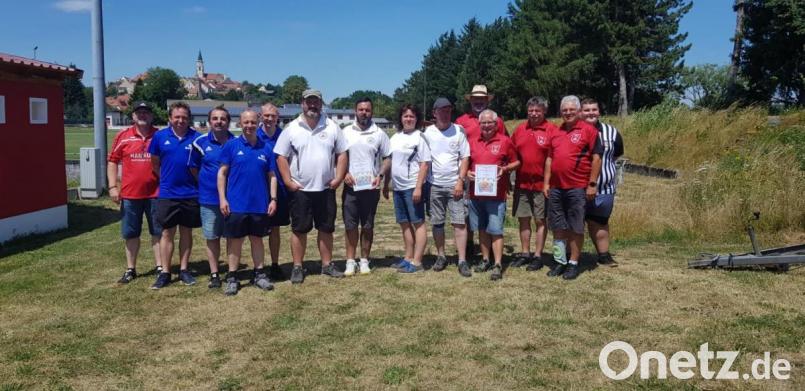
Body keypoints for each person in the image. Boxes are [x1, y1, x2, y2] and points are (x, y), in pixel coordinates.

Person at [273, 89, 348, 284]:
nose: (312, 105)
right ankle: (297, 266)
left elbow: (342, 154)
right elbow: (281, 156)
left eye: (316, 102)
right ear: (302, 104)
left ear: (321, 104)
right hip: (301, 190)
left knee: (326, 229)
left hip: (325, 189)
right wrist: (288, 181)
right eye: (309, 102)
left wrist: (338, 177)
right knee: (299, 230)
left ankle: (327, 265)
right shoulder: (292, 128)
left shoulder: (332, 126)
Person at [217, 110, 277, 296]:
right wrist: (222, 198)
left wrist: (273, 198)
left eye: (252, 122)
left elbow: (272, 175)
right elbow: (222, 173)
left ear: (257, 122)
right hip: (236, 205)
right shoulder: (231, 146)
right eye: (246, 122)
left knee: (257, 240)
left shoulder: (266, 148)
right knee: (235, 242)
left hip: (259, 204)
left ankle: (259, 274)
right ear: (240, 123)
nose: (249, 125)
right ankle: (233, 277)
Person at [543, 95, 603, 280]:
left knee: (576, 227)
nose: (568, 113)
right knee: (558, 227)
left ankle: (573, 263)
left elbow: (597, 158)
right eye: (564, 110)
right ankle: (560, 260)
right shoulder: (556, 131)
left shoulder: (589, 131)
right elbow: (549, 159)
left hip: (577, 187)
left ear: (578, 111)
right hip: (556, 188)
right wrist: (546, 182)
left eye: (571, 110)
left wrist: (592, 184)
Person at [107, 101, 162, 283]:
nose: (143, 115)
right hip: (130, 194)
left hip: (156, 193)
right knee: (131, 233)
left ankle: (160, 266)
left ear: (152, 116)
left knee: (157, 232)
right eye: (139, 112)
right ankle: (131, 268)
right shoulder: (123, 136)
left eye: (146, 112)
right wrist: (113, 186)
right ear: (133, 116)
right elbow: (113, 161)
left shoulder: (159, 136)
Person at [148, 101, 202, 289]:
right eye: (177, 117)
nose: (180, 120)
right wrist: (165, 180)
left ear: (189, 119)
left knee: (186, 232)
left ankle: (184, 270)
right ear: (170, 118)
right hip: (168, 193)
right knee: (167, 233)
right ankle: (165, 271)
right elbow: (155, 163)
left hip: (191, 193)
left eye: (184, 117)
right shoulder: (160, 137)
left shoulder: (197, 138)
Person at [455, 84, 508, 257]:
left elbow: (504, 147)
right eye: (475, 99)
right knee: (467, 213)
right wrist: (462, 172)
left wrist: (504, 174)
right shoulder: (461, 121)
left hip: (490, 177)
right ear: (470, 101)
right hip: (468, 173)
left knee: (490, 212)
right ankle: (469, 244)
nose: (478, 102)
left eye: (482, 99)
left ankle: (490, 251)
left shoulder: (497, 121)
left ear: (487, 100)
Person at [467, 110, 520, 280]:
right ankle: (485, 259)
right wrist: (467, 173)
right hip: (476, 194)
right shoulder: (472, 142)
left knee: (495, 229)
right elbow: (465, 164)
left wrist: (504, 169)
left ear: (496, 124)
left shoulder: (505, 141)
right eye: (483, 123)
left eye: (490, 122)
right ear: (479, 124)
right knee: (482, 228)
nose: (487, 125)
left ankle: (497, 263)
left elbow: (517, 162)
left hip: (496, 195)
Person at [341, 98, 391, 276]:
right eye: (361, 109)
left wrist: (381, 175)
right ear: (355, 111)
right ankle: (349, 261)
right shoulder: (346, 132)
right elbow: (338, 156)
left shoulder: (379, 133)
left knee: (368, 226)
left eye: (367, 110)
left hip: (371, 187)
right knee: (350, 225)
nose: (364, 113)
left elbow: (387, 158)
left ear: (372, 112)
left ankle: (364, 260)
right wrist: (344, 173)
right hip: (351, 187)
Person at [423, 97, 471, 277]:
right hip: (434, 185)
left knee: (459, 222)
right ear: (434, 113)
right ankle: (441, 256)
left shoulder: (459, 131)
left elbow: (465, 157)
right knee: (437, 223)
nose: (445, 113)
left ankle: (462, 260)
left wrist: (460, 181)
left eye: (448, 109)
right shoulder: (427, 132)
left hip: (455, 185)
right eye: (441, 110)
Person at [509, 97, 557, 271]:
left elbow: (554, 158)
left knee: (540, 220)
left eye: (538, 110)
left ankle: (538, 255)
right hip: (522, 184)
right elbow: (511, 154)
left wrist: (548, 183)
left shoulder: (551, 130)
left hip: (541, 185)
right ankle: (525, 253)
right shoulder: (520, 129)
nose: (534, 113)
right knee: (523, 219)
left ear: (544, 111)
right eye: (531, 110)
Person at [189, 106, 234, 289]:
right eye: (215, 118)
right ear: (209, 121)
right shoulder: (199, 143)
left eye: (223, 118)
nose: (219, 122)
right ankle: (214, 273)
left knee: (233, 237)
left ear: (228, 121)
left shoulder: (236, 141)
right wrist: (206, 184)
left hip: (232, 199)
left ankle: (232, 272)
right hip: (208, 199)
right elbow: (193, 168)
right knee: (212, 237)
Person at [382, 104, 431, 274]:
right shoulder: (395, 137)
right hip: (398, 187)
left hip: (412, 187)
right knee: (404, 223)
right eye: (405, 116)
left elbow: (425, 164)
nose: (408, 119)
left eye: (411, 116)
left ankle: (417, 262)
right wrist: (386, 183)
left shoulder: (420, 137)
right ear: (401, 119)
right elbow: (390, 161)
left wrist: (418, 188)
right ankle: (408, 257)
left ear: (416, 119)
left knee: (418, 223)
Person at [581, 98, 624, 267]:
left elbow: (616, 154)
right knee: (574, 224)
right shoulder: (572, 131)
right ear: (580, 113)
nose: (591, 113)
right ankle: (571, 256)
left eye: (594, 109)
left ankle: (604, 255)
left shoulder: (611, 132)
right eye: (586, 110)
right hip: (577, 187)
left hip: (604, 188)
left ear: (599, 112)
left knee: (600, 222)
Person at [258, 103, 289, 281]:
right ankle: (259, 266)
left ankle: (275, 264)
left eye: (273, 116)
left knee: (275, 229)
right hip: (258, 190)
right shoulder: (254, 134)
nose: (269, 119)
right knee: (257, 230)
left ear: (278, 117)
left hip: (281, 190)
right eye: (266, 115)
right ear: (260, 116)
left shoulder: (284, 135)